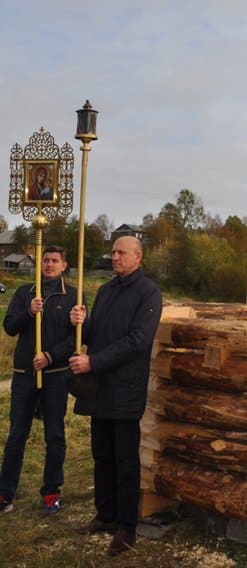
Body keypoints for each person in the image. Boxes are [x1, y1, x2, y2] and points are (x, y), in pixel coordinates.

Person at [69, 235, 162, 557]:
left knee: (124, 460)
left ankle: (126, 527)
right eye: (112, 252)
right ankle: (105, 514)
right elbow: (97, 334)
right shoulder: (106, 290)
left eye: (121, 252)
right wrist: (82, 323)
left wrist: (93, 361)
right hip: (99, 389)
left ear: (138, 256)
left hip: (125, 388)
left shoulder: (148, 293)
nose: (115, 257)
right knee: (101, 455)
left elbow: (138, 341)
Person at [0, 246, 79, 514]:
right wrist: (28, 313)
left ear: (64, 265)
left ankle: (51, 493)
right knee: (16, 436)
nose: (49, 264)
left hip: (55, 376)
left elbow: (76, 340)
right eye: (45, 260)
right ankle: (4, 493)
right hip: (24, 376)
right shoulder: (25, 293)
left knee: (55, 435)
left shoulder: (73, 297)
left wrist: (50, 356)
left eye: (55, 260)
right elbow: (9, 326)